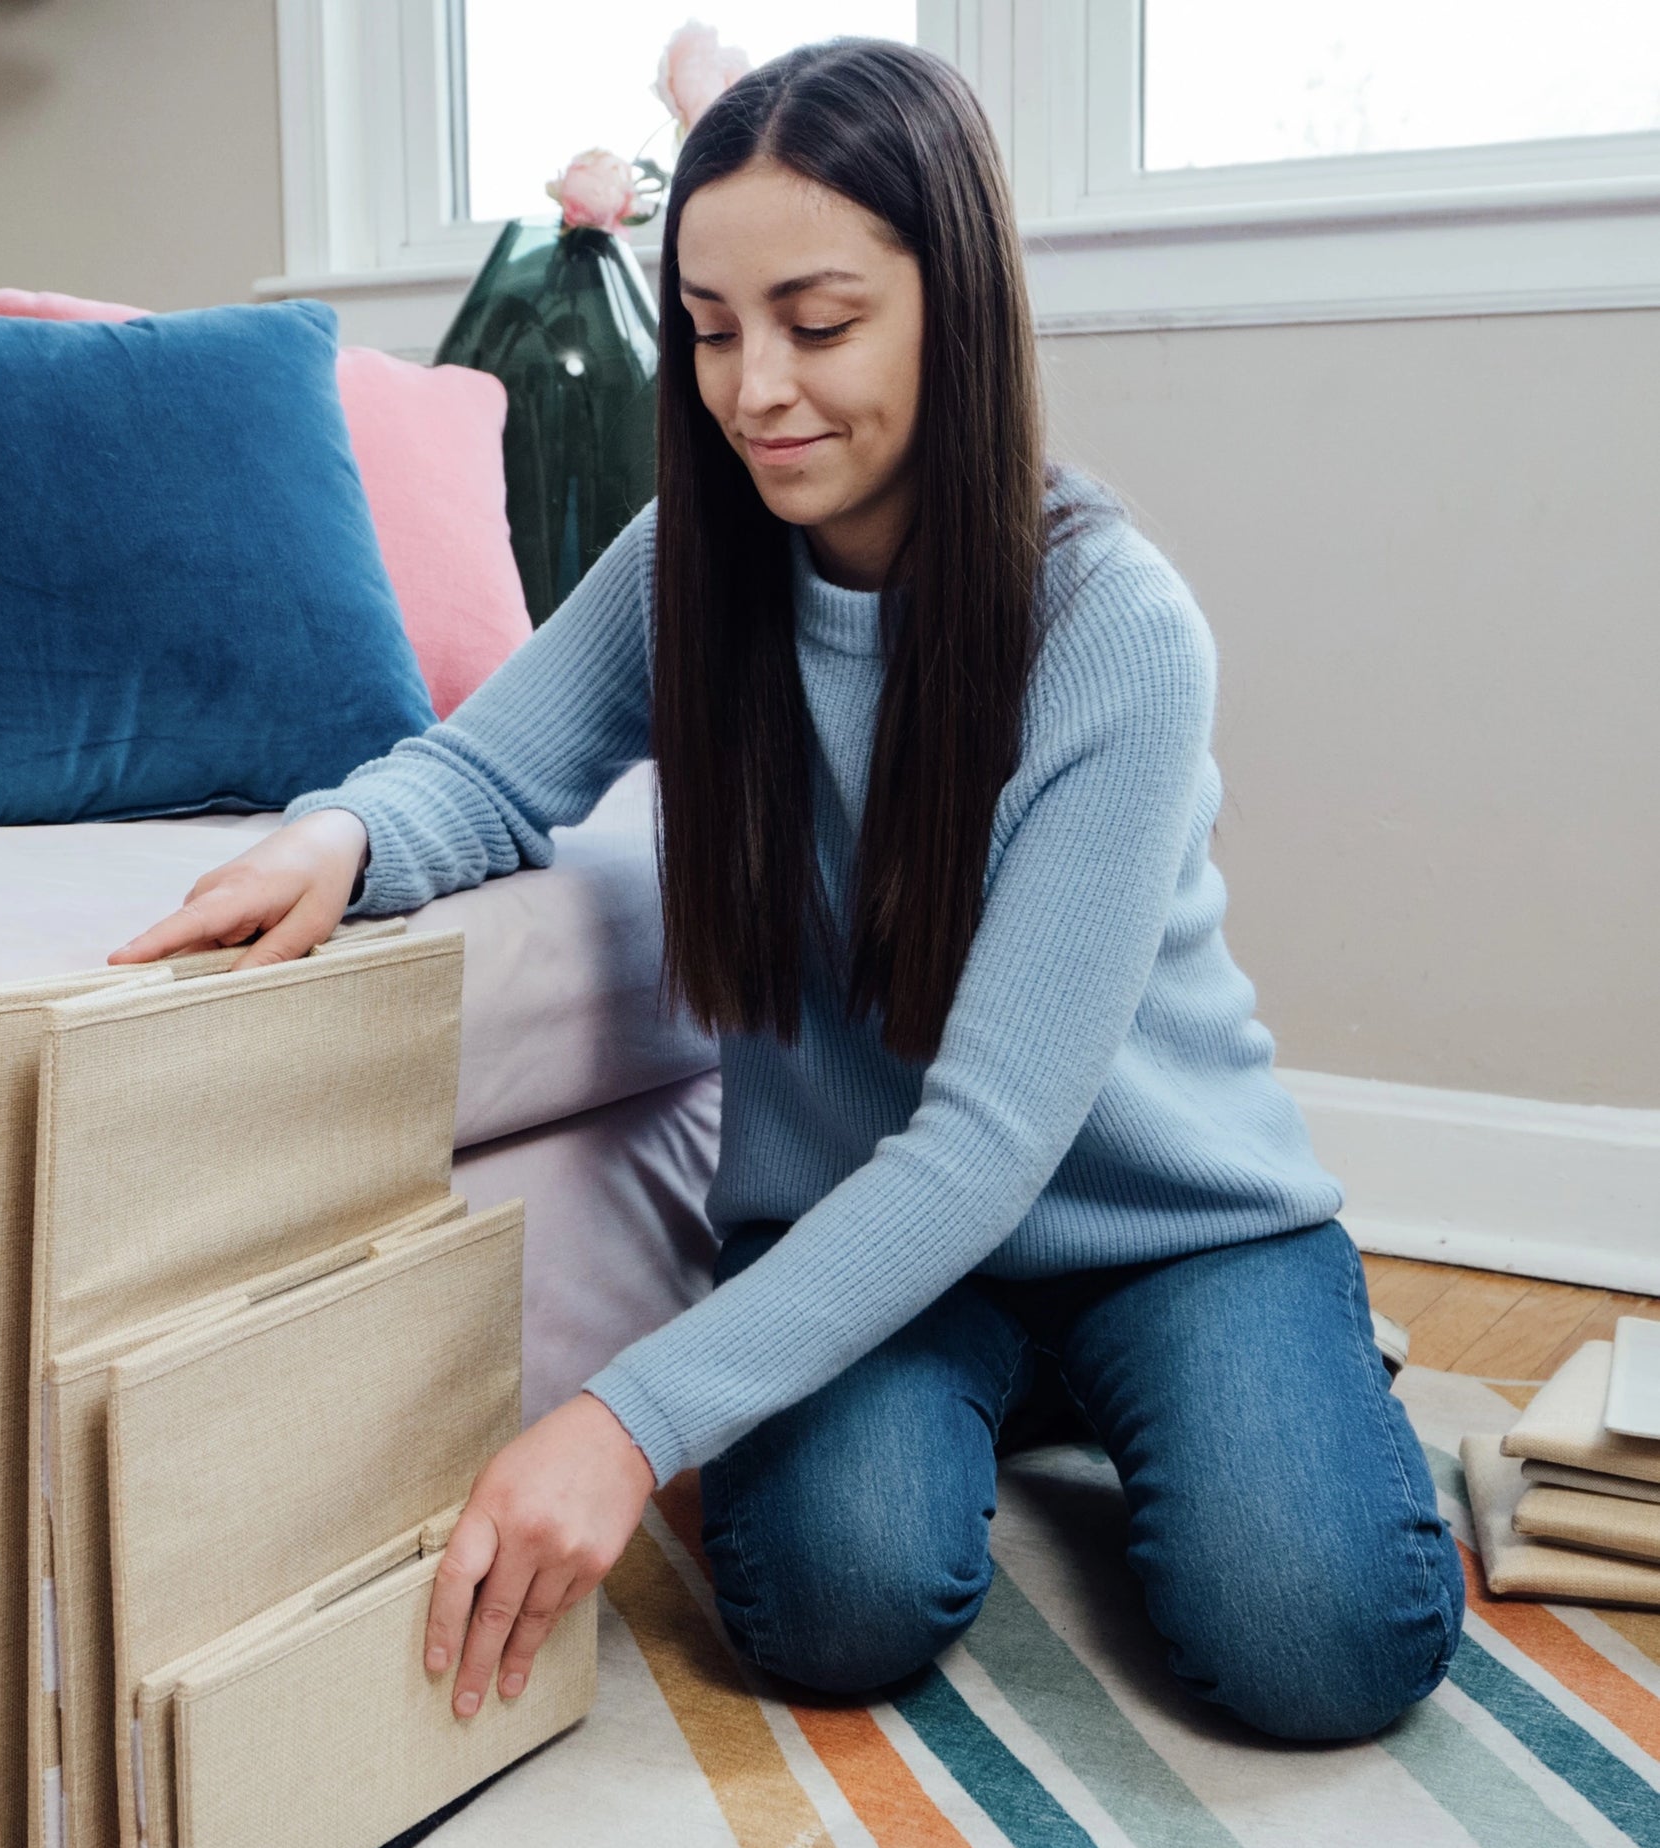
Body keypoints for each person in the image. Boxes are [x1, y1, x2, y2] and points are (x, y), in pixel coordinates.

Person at [113, 39, 1462, 1743]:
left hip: (1163, 1225)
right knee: (830, 1603)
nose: (754, 389)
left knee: (1321, 1642)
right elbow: (482, 772)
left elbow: (988, 1141)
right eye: (710, 326)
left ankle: (1226, 1364)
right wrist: (337, 843)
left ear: (954, 308)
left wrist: (621, 1420)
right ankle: (1005, 1392)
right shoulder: (687, 565)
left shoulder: (1114, 627)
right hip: (844, 1218)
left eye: (817, 325)